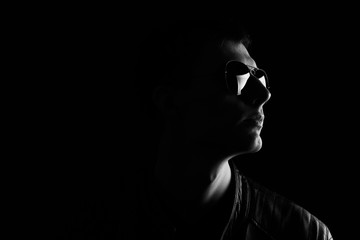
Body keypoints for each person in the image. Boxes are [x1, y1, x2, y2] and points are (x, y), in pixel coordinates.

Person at [132, 16, 333, 240]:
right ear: (170, 102)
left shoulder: (304, 234)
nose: (264, 95)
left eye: (260, 79)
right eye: (238, 76)